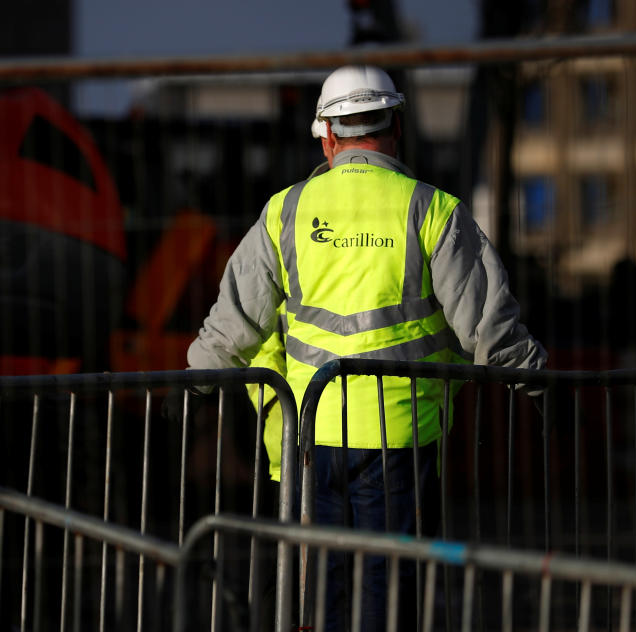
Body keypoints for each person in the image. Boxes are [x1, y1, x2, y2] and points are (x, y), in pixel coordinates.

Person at [187, 65, 546, 631]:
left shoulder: (285, 211)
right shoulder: (433, 211)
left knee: (320, 591)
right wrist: (538, 381)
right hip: (398, 439)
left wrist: (196, 383)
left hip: (309, 441)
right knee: (389, 589)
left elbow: (233, 322)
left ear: (327, 136)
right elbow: (490, 331)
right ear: (396, 126)